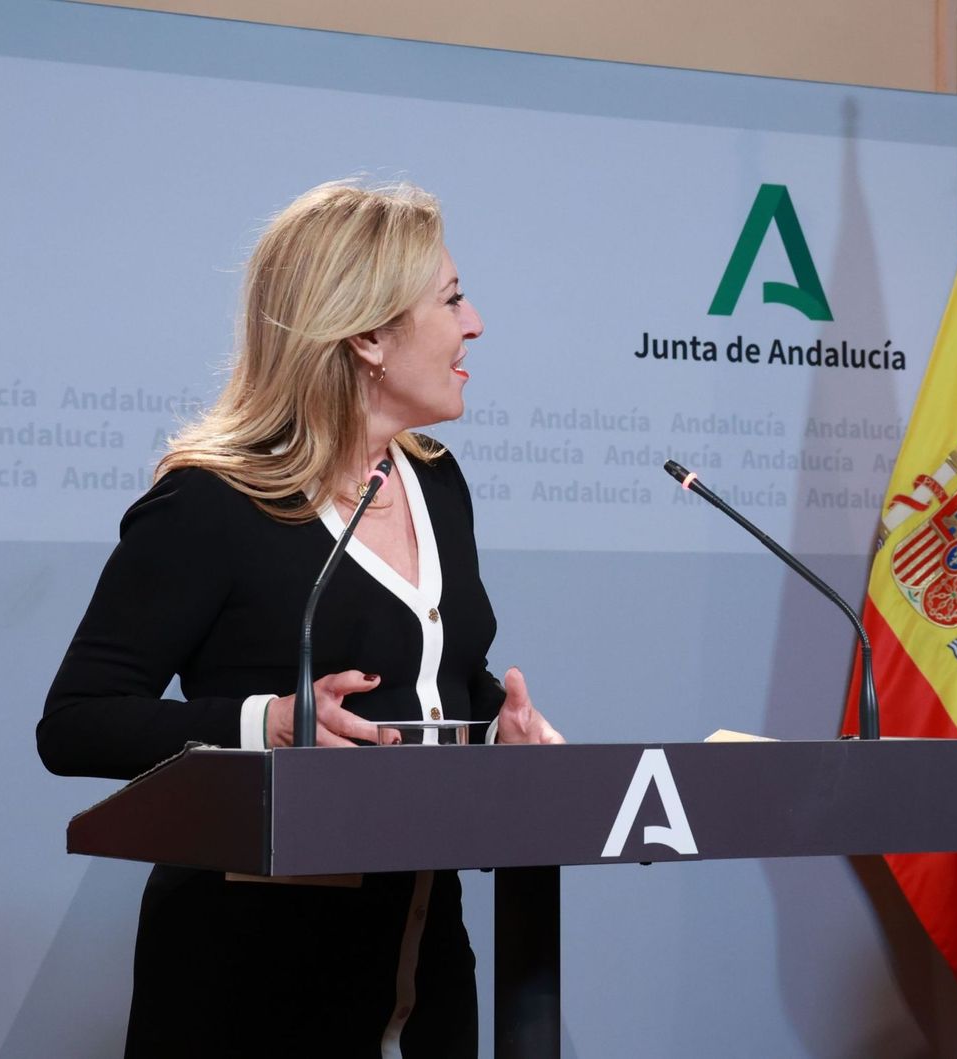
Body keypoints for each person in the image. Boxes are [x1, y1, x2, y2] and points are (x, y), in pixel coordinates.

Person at [37, 180, 563, 1058]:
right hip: (254, 985)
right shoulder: (212, 501)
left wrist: (494, 736)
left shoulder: (436, 481)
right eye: (452, 299)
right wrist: (268, 724)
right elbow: (76, 721)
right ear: (367, 336)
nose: (474, 324)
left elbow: (431, 683)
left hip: (427, 969)